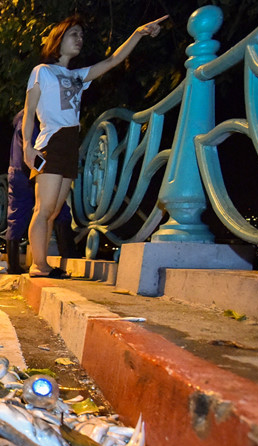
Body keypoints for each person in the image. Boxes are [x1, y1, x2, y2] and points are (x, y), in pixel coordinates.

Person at [23, 14, 167, 278]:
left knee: (53, 212)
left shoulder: (77, 76)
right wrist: (27, 146)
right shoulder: (42, 71)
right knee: (43, 209)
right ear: (58, 39)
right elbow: (29, 110)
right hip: (51, 142)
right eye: (73, 34)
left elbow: (113, 61)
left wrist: (138, 33)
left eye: (81, 35)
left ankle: (42, 264)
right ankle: (38, 266)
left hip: (70, 144)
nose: (79, 39)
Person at [6, 109, 77, 275]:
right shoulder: (35, 118)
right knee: (54, 209)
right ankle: (67, 253)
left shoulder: (24, 118)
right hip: (31, 169)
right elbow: (35, 147)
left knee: (17, 215)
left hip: (17, 171)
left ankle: (13, 264)